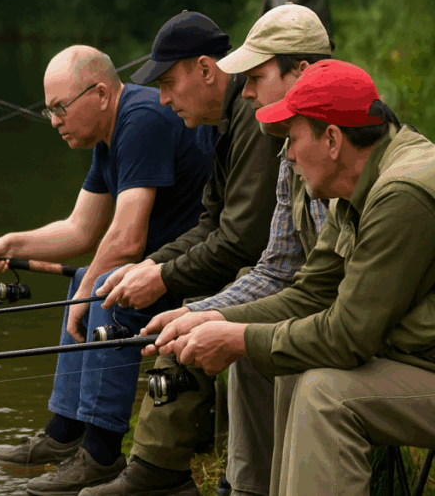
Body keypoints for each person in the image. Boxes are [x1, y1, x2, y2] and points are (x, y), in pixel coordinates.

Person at [155, 60, 435, 496]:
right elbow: (310, 293)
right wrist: (211, 318)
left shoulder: (400, 196)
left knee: (326, 395)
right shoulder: (354, 186)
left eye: (293, 138)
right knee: (295, 367)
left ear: (333, 140)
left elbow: (347, 336)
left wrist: (238, 339)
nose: (286, 155)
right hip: (419, 360)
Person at [0, 44, 214, 495]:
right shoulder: (110, 136)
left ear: (101, 94)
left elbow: (126, 240)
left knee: (102, 287)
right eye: (49, 110)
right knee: (92, 278)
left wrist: (87, 293)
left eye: (60, 107)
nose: (54, 121)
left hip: (199, 271)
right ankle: (66, 431)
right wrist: (11, 242)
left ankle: (101, 453)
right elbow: (80, 230)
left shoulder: (141, 120)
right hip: (163, 265)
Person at [80, 11, 285, 496]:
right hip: (260, 267)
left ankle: (164, 471)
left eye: (169, 83)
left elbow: (241, 239)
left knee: (193, 308)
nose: (163, 98)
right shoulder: (217, 121)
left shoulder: (251, 119)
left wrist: (163, 277)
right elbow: (210, 224)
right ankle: (156, 465)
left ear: (206, 70)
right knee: (176, 300)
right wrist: (150, 265)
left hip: (277, 276)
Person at [136, 3, 332, 496]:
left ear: (301, 71)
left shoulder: (328, 145)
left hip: (361, 329)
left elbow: (250, 245)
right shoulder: (288, 148)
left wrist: (208, 311)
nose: (244, 91)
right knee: (235, 325)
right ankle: (243, 486)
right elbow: (278, 266)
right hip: (322, 306)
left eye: (255, 77)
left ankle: (189, 475)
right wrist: (198, 312)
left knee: (250, 338)